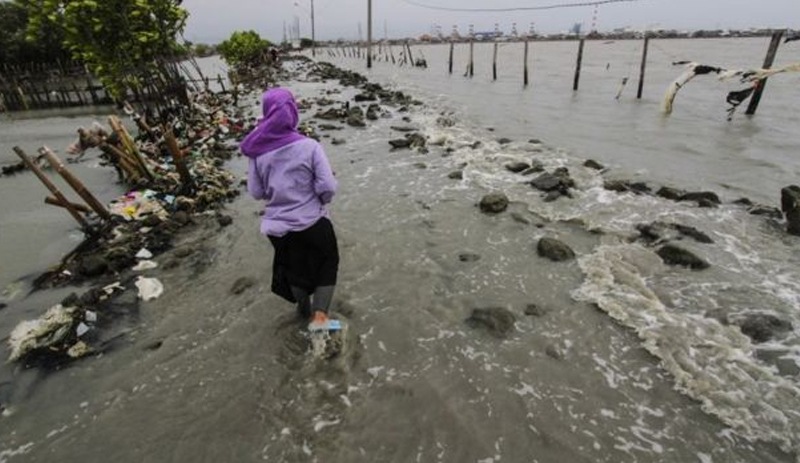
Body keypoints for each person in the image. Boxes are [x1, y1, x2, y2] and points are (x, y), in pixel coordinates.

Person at [241, 87, 339, 330]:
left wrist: (277, 191)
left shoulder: (257, 151)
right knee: (327, 263)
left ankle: (303, 311)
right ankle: (320, 320)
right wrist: (320, 199)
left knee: (295, 270)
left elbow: (256, 192)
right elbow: (327, 185)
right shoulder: (310, 146)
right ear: (293, 111)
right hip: (313, 221)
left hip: (278, 227)